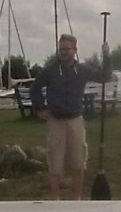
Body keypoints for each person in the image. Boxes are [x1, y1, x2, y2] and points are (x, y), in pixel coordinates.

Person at [28, 34, 111, 200]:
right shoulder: (50, 71)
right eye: (61, 49)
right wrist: (39, 109)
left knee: (78, 161)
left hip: (75, 120)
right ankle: (55, 199)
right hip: (55, 121)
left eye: (67, 49)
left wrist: (106, 56)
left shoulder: (82, 70)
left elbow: (105, 77)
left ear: (75, 50)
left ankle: (77, 198)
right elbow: (35, 88)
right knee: (55, 162)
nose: (64, 52)